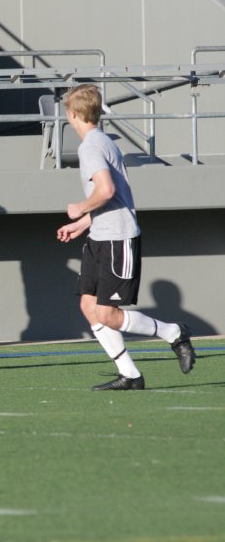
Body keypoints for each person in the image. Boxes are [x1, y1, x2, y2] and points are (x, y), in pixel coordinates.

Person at [56, 84, 196, 391]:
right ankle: (130, 375)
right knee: (89, 307)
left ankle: (173, 333)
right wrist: (82, 224)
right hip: (100, 236)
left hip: (117, 240)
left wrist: (80, 207)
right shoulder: (101, 141)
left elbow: (106, 191)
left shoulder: (91, 146)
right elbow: (113, 197)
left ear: (72, 114)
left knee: (107, 313)